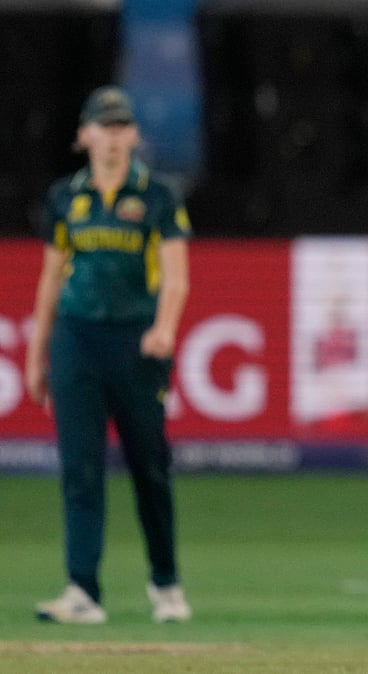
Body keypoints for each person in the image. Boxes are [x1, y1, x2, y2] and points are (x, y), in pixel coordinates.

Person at [24, 85, 193, 624]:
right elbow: (52, 277)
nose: (113, 137)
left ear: (135, 136)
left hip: (136, 342)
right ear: (84, 136)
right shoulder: (65, 198)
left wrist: (164, 328)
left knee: (149, 467)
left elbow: (176, 274)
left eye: (123, 127)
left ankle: (166, 585)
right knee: (80, 468)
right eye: (104, 126)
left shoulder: (158, 195)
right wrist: (37, 354)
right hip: (77, 340)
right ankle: (82, 590)